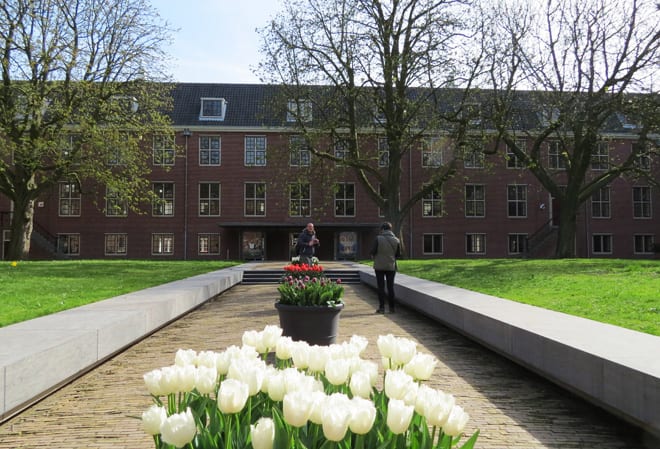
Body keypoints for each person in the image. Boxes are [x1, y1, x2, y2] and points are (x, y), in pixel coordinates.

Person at [370, 221, 401, 314]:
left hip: (379, 266)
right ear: (390, 229)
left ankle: (382, 308)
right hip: (391, 266)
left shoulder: (378, 238)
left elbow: (373, 251)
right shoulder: (397, 240)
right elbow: (398, 255)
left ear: (382, 229)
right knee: (390, 287)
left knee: (381, 287)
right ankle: (392, 308)